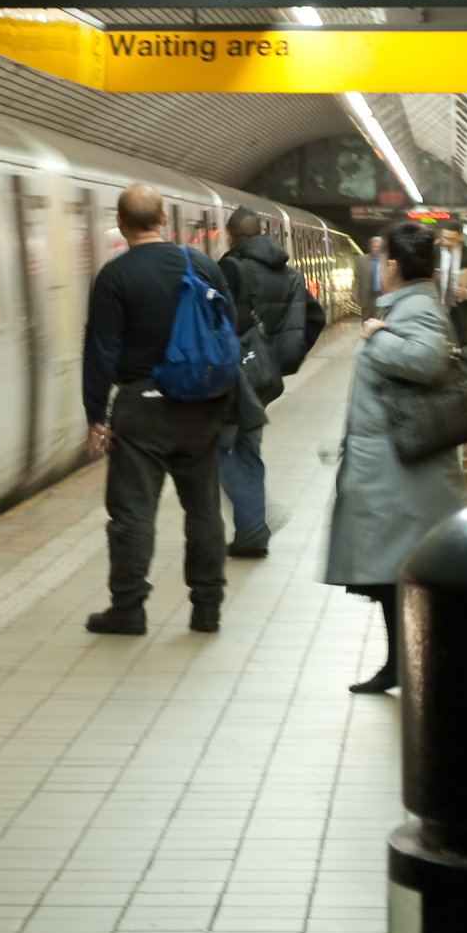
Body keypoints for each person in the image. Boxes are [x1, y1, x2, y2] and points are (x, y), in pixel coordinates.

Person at [325, 220, 467, 694]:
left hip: (403, 471)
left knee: (400, 574)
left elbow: (427, 360)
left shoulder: (415, 307)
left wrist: (376, 336)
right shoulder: (411, 303)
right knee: (392, 576)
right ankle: (402, 665)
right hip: (394, 466)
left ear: (391, 265)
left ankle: (416, 666)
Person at [83, 183, 236, 635]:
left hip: (142, 406)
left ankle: (128, 609)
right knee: (204, 509)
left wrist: (96, 414)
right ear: (165, 220)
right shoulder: (203, 265)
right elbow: (231, 328)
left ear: (121, 223)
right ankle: (207, 608)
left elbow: (101, 350)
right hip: (200, 406)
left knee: (133, 512)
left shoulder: (115, 276)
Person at [215, 207, 311, 559]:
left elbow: (221, 321)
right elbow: (313, 318)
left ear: (230, 235)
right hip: (264, 376)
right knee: (249, 449)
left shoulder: (230, 267)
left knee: (221, 448)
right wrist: (282, 358)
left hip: (235, 373)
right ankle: (249, 534)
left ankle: (257, 520)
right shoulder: (288, 272)